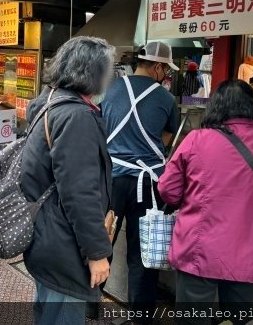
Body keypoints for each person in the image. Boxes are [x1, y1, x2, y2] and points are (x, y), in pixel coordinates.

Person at [158, 80, 253, 322]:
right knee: (243, 321)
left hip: (198, 250)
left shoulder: (196, 139)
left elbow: (168, 190)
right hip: (250, 255)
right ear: (252, 107)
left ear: (216, 106)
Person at [21, 36, 115, 325]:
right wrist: (97, 253)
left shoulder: (48, 103)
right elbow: (79, 193)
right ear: (94, 74)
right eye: (108, 72)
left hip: (46, 237)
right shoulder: (77, 117)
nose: (110, 79)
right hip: (64, 245)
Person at [101, 41, 179, 322]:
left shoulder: (111, 88)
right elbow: (168, 138)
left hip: (112, 181)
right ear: (157, 67)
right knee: (143, 252)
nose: (165, 76)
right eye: (166, 71)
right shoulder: (166, 99)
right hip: (147, 185)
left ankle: (87, 306)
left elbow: (104, 124)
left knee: (101, 242)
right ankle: (141, 317)